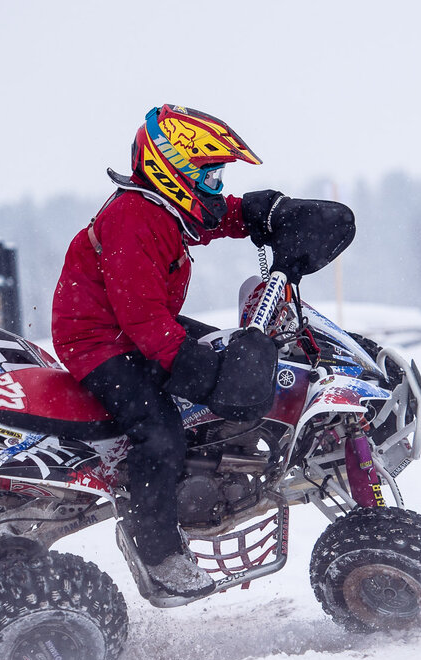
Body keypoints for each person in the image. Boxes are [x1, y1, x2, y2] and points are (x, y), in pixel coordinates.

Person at [50, 104, 297, 597]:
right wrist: (205, 375)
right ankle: (157, 548)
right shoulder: (134, 218)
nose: (216, 185)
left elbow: (210, 219)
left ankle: (218, 466)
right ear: (173, 168)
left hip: (134, 326)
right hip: (98, 341)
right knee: (159, 433)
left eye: (218, 175)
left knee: (227, 355)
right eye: (209, 175)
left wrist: (262, 213)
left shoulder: (161, 208)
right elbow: (144, 324)